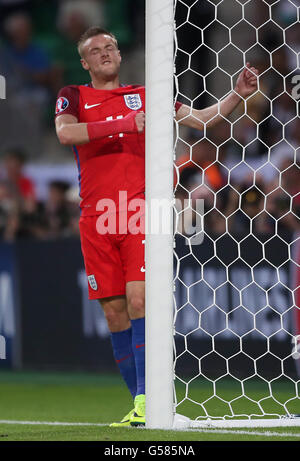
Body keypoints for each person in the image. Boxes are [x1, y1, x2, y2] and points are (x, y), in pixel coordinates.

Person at [54, 26, 258, 427]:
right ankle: (139, 404)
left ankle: (149, 401)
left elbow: (201, 119)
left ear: (119, 54)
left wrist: (237, 95)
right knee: (114, 314)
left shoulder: (148, 95)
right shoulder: (74, 95)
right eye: (95, 50)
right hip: (96, 216)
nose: (105, 53)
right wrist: (125, 125)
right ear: (85, 62)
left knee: (140, 302)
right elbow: (65, 132)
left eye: (111, 46)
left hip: (139, 212)